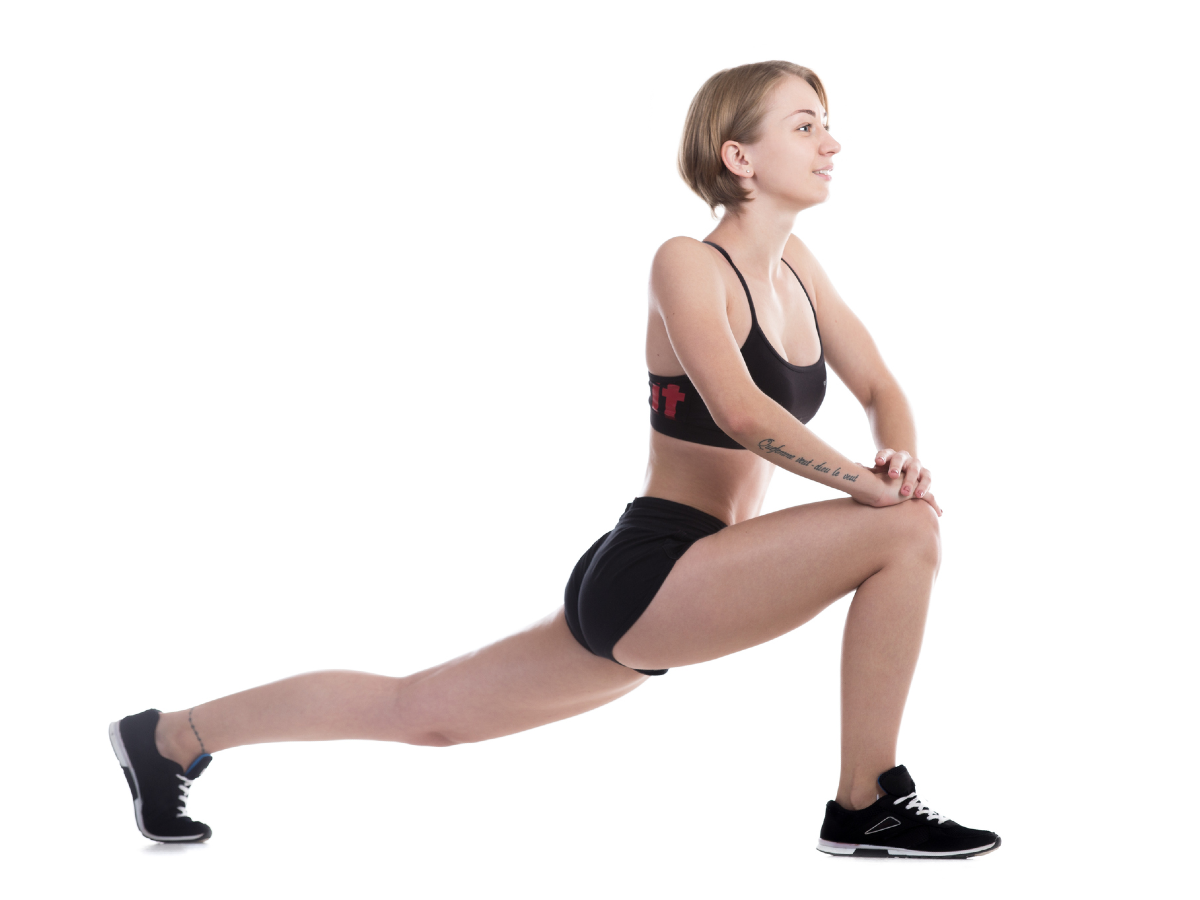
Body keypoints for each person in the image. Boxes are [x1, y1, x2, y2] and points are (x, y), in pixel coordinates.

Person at [108, 60, 1000, 859]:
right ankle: (865, 802)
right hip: (658, 570)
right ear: (739, 156)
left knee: (422, 715)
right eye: (805, 124)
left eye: (825, 123)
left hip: (684, 581)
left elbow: (880, 384)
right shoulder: (686, 263)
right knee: (905, 534)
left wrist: (900, 458)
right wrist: (869, 489)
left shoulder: (798, 265)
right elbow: (740, 408)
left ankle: (170, 737)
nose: (831, 141)